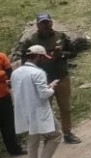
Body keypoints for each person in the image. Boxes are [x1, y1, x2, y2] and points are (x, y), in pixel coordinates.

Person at [15, 14, 81, 145]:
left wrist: (61, 54)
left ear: (51, 23)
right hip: (42, 80)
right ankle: (49, 135)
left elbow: (73, 53)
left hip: (61, 77)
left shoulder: (61, 37)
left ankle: (67, 133)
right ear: (37, 25)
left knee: (65, 107)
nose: (46, 25)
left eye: (47, 22)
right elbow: (25, 61)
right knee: (45, 110)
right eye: (42, 23)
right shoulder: (30, 41)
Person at [13, 45, 62, 158]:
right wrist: (51, 88)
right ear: (38, 57)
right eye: (43, 57)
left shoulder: (16, 72)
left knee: (33, 141)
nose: (44, 60)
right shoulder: (38, 73)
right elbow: (43, 94)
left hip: (24, 112)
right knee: (56, 135)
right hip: (39, 111)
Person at [0, 51, 25, 156]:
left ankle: (14, 149)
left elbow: (10, 73)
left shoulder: (1, 56)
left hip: (4, 96)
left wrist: (5, 77)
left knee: (8, 124)